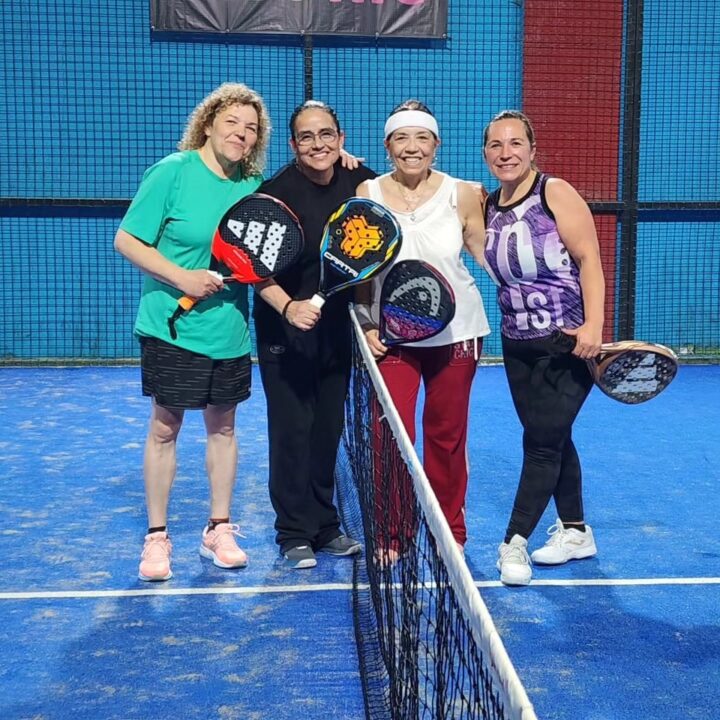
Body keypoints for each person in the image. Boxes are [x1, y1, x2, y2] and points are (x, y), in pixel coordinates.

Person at [114, 83, 271, 581]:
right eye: (232, 123)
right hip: (172, 326)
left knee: (223, 428)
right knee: (166, 426)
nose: (240, 135)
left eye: (250, 130)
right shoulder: (172, 172)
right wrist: (181, 277)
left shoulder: (253, 186)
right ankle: (157, 537)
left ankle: (218, 529)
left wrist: (340, 155)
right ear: (208, 124)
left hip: (229, 330)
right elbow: (126, 239)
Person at [356, 100, 490, 557]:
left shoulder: (462, 194)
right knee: (389, 434)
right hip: (392, 335)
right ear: (387, 145)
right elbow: (360, 267)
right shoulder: (368, 192)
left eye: (422, 139)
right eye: (401, 138)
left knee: (447, 436)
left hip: (458, 334)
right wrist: (367, 320)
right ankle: (394, 533)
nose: (412, 148)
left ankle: (448, 533)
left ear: (436, 145)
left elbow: (487, 257)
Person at [482, 110, 605, 586]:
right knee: (554, 438)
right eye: (495, 145)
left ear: (532, 149)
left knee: (540, 443)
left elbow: (588, 260)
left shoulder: (554, 192)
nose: (506, 152)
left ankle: (514, 542)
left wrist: (593, 324)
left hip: (567, 344)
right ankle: (576, 531)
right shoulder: (487, 204)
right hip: (517, 346)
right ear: (486, 154)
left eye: (515, 143)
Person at [253, 100, 376, 569]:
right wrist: (288, 305)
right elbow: (253, 270)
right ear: (293, 145)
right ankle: (292, 532)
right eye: (307, 137)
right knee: (291, 430)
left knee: (328, 429)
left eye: (327, 134)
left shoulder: (356, 179)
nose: (318, 144)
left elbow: (401, 194)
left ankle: (325, 525)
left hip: (334, 334)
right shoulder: (274, 195)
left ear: (341, 139)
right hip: (284, 333)